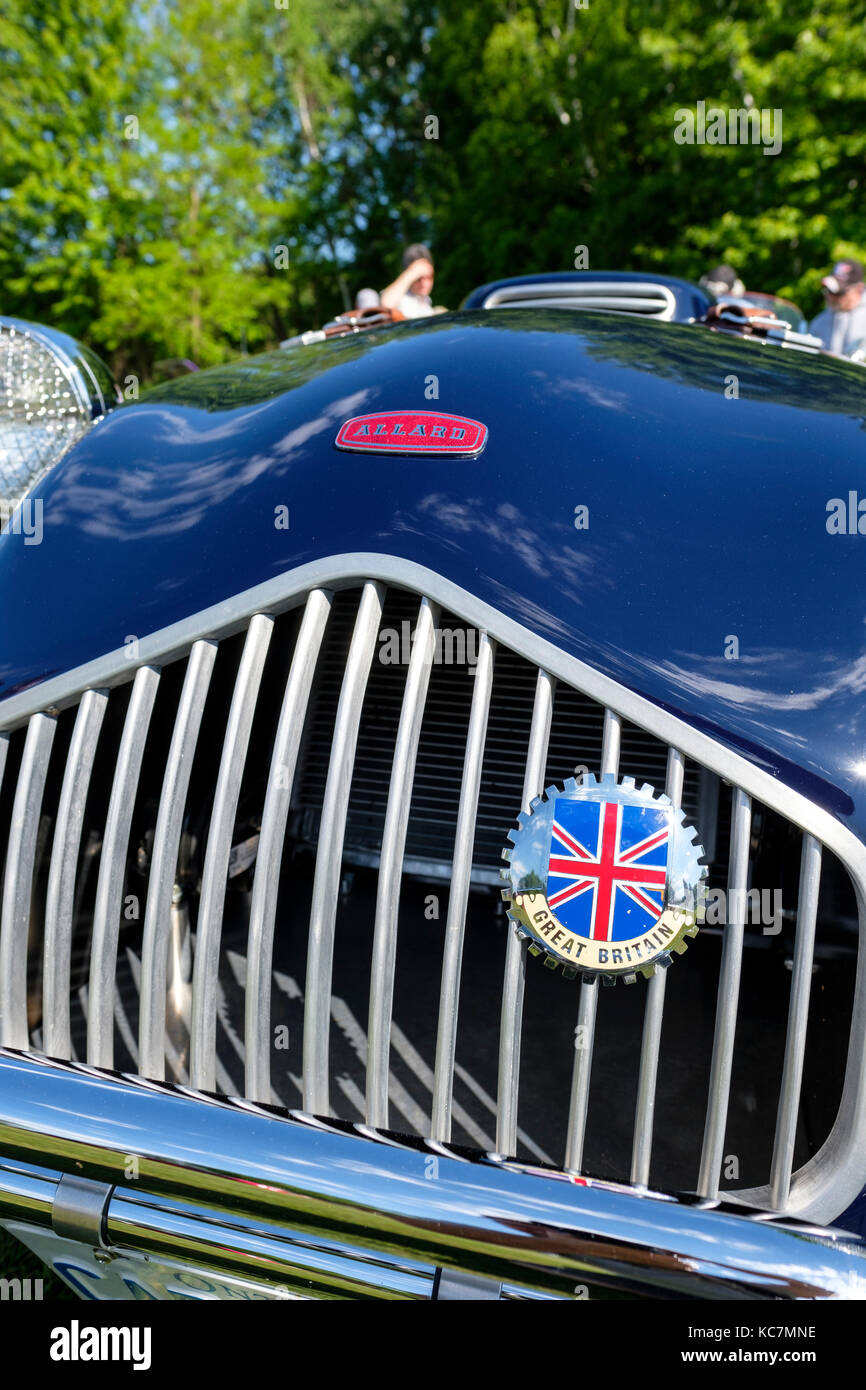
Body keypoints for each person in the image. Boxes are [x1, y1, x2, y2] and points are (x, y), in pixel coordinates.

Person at [808, 260, 866, 358]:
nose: (830, 297)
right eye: (828, 291)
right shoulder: (818, 322)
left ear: (859, 289)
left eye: (839, 292)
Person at [379, 244, 436, 318]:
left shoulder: (426, 301)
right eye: (418, 278)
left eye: (429, 277)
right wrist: (412, 272)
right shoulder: (400, 299)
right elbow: (386, 305)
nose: (424, 284)